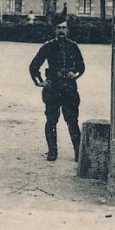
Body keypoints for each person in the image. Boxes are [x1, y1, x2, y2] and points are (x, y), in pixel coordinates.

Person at [28, 16, 85, 162]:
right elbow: (34, 66)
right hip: (52, 88)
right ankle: (52, 151)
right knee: (51, 120)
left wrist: (75, 73)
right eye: (59, 28)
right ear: (54, 30)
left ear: (68, 30)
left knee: (72, 120)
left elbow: (81, 66)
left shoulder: (73, 46)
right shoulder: (48, 46)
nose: (61, 31)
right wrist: (40, 82)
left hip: (69, 89)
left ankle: (78, 153)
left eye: (64, 28)